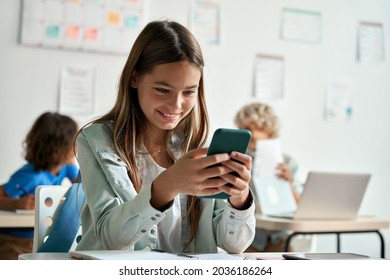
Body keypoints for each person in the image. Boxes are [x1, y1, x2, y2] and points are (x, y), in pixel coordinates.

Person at [75, 20, 256, 254]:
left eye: (189, 91)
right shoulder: (96, 141)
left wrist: (240, 197)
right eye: (162, 89)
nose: (176, 104)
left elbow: (234, 244)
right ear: (134, 78)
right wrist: (167, 186)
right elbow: (111, 239)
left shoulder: (195, 146)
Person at [0, 111, 80, 259]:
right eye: (73, 142)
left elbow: (84, 186)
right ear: (59, 148)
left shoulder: (66, 167)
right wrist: (15, 203)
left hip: (40, 238)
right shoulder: (30, 176)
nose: (77, 146)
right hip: (14, 241)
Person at [234, 102, 301, 252]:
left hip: (278, 235)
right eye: (241, 129)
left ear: (268, 130)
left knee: (286, 255)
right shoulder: (238, 158)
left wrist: (288, 182)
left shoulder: (287, 163)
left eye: (249, 129)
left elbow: (300, 207)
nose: (245, 134)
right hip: (250, 236)